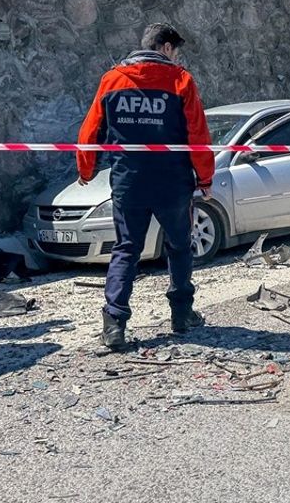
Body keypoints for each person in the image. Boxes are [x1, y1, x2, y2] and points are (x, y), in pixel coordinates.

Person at [77, 23, 214, 350]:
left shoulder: (112, 80)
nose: (177, 56)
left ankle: (114, 323)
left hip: (129, 181)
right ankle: (182, 315)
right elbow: (198, 134)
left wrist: (85, 168)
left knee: (126, 249)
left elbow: (90, 130)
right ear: (165, 47)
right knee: (179, 246)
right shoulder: (181, 81)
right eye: (175, 50)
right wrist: (205, 178)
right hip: (173, 182)